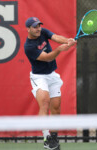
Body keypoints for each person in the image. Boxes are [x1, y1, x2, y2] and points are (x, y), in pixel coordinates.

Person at [24, 17, 76, 150]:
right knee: (45, 102)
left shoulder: (43, 32)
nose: (38, 29)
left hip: (52, 75)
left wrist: (67, 40)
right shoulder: (28, 47)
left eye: (39, 26)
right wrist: (60, 49)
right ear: (28, 29)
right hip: (38, 77)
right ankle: (46, 138)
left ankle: (54, 137)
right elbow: (47, 58)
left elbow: (55, 37)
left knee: (56, 106)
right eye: (35, 27)